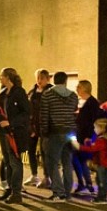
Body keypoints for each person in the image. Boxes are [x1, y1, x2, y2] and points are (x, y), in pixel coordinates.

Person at [40, 71, 78, 202]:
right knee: (67, 162)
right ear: (65, 81)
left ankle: (58, 192)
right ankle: (67, 192)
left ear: (53, 80)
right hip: (70, 131)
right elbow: (74, 113)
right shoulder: (73, 96)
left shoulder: (47, 95)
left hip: (54, 132)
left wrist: (44, 132)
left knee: (52, 163)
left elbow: (44, 115)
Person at [0, 67, 30, 204]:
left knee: (15, 162)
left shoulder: (19, 92)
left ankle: (16, 193)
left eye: (1, 76)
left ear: (7, 77)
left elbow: (26, 112)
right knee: (7, 161)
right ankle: (9, 189)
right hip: (4, 132)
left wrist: (11, 122)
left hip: (16, 132)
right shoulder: (3, 93)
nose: (0, 79)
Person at [72, 118, 107, 204]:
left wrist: (79, 147)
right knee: (100, 179)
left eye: (95, 127)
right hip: (105, 162)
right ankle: (101, 197)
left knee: (101, 181)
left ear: (102, 129)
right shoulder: (106, 138)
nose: (94, 129)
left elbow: (93, 149)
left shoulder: (102, 139)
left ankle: (102, 198)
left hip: (102, 163)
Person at [72, 80, 106, 194]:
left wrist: (89, 136)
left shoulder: (92, 103)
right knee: (79, 160)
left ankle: (85, 184)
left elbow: (93, 120)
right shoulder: (82, 102)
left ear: (85, 88)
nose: (77, 89)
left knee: (79, 160)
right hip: (79, 135)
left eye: (79, 87)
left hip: (85, 136)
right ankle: (86, 184)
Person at [26, 69, 52, 188]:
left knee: (44, 151)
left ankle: (47, 177)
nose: (39, 81)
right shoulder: (32, 92)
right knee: (31, 150)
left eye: (42, 78)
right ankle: (34, 174)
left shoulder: (51, 92)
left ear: (48, 79)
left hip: (45, 126)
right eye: (38, 78)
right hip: (33, 126)